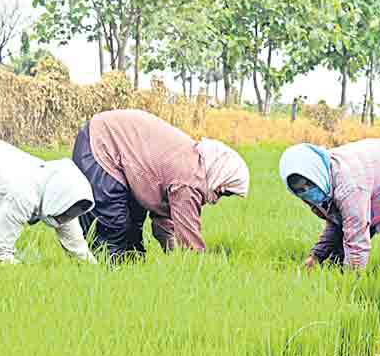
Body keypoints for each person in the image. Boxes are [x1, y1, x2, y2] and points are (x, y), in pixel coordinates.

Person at [71, 109, 250, 258]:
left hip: (113, 144)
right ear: (219, 178)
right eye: (223, 193)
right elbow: (190, 242)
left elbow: (163, 222)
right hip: (101, 143)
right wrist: (201, 267)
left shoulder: (193, 162)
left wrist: (172, 256)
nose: (217, 200)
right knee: (114, 230)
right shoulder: (191, 179)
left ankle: (131, 281)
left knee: (133, 231)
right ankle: (106, 284)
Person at [0, 134, 96, 265]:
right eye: (67, 214)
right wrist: (30, 276)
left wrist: (94, 271)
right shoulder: (22, 195)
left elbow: (78, 248)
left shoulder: (62, 198)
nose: (66, 217)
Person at [278, 139, 380, 270]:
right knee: (336, 261)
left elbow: (357, 241)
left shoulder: (349, 185)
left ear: (316, 173)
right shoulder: (322, 181)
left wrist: (351, 283)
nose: (307, 191)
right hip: (376, 187)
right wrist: (316, 256)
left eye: (309, 185)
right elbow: (337, 222)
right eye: (300, 190)